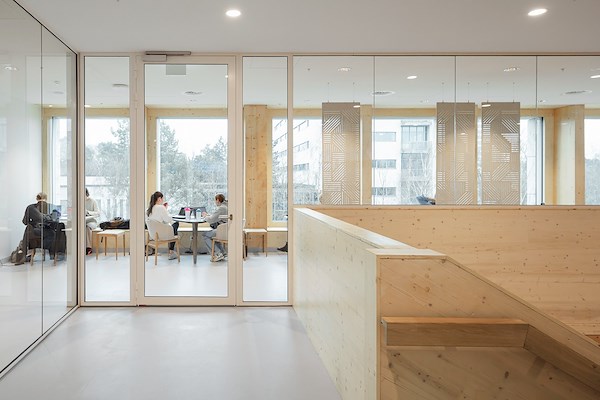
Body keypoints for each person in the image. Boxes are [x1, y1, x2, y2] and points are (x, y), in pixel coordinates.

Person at [146, 191, 179, 260]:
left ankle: (171, 251)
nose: (163, 200)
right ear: (159, 199)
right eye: (162, 198)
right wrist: (166, 211)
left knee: (171, 227)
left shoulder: (148, 210)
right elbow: (167, 220)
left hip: (153, 235)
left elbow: (158, 221)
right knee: (176, 223)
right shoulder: (161, 207)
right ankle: (171, 251)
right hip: (161, 234)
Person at [201, 193, 228, 262]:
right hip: (227, 229)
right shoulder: (226, 206)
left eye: (215, 200)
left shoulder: (222, 208)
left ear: (218, 200)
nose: (215, 202)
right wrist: (208, 215)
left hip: (224, 231)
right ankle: (223, 253)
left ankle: (218, 254)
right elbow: (215, 216)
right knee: (213, 235)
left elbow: (211, 220)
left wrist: (205, 216)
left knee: (205, 235)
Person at [85, 188, 100, 255]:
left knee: (87, 227)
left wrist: (88, 212)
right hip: (82, 221)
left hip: (92, 221)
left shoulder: (92, 201)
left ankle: (88, 247)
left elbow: (97, 213)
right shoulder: (78, 201)